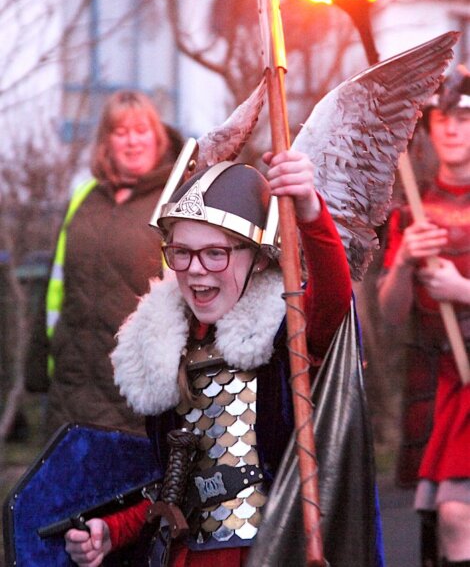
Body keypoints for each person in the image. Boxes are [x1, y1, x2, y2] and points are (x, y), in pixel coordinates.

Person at [63, 146, 353, 566]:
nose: (195, 268)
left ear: (256, 259)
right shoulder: (168, 350)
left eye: (215, 253)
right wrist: (113, 531)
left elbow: (333, 302)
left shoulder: (282, 333)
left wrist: (309, 209)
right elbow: (179, 489)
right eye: (180, 252)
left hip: (270, 551)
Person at [30, 90, 183, 437]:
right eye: (121, 132)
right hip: (70, 390)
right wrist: (37, 366)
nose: (132, 142)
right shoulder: (84, 197)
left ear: (157, 138)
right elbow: (54, 287)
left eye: (141, 130)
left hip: (136, 395)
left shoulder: (173, 203)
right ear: (106, 142)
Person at [378, 67, 470, 567]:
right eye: (443, 118)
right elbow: (393, 315)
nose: (452, 128)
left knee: (459, 515)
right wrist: (407, 262)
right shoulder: (411, 213)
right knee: (439, 522)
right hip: (438, 378)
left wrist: (463, 290)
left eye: (464, 117)